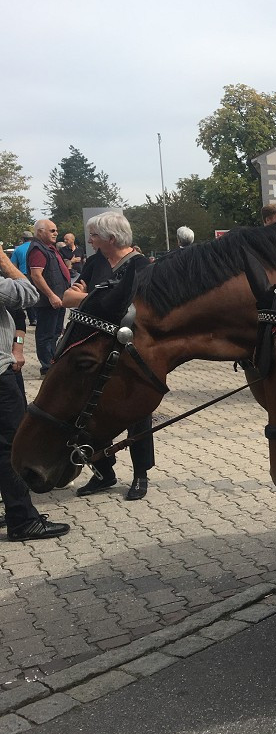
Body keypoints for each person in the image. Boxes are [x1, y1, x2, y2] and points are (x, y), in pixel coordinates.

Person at [62, 211, 155, 500]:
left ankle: (141, 475)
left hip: (131, 351)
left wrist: (87, 298)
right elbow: (67, 297)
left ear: (111, 238)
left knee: (138, 413)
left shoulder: (142, 266)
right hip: (95, 348)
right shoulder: (95, 262)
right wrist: (97, 300)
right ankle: (104, 472)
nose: (89, 240)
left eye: (94, 235)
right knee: (89, 412)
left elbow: (133, 308)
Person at [0, 248, 70, 540]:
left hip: (7, 363)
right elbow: (27, 293)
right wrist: (6, 263)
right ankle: (22, 519)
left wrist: (17, 346)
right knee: (10, 444)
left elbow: (16, 318)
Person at [26, 219, 71, 376]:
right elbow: (36, 276)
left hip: (59, 300)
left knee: (55, 332)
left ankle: (53, 362)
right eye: (52, 230)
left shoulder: (48, 248)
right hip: (48, 302)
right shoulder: (38, 249)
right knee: (46, 334)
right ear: (40, 232)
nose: (56, 233)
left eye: (56, 230)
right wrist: (51, 295)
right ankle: (47, 367)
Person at [10, 232, 36, 327]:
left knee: (28, 296)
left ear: (23, 239)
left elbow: (13, 266)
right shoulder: (36, 248)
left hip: (24, 275)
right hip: (38, 273)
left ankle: (33, 319)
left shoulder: (18, 250)